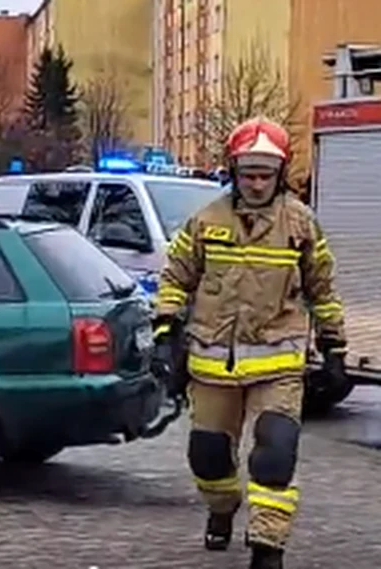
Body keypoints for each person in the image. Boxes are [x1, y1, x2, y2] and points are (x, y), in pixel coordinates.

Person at [150, 117, 348, 569]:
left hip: (278, 363)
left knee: (275, 453)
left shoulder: (301, 225)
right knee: (209, 459)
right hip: (212, 364)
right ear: (233, 172)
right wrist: (166, 332)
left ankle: (267, 547)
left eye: (265, 174)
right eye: (248, 173)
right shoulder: (206, 222)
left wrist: (335, 348)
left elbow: (323, 291)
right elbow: (175, 279)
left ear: (280, 174)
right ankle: (222, 510)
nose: (257, 183)